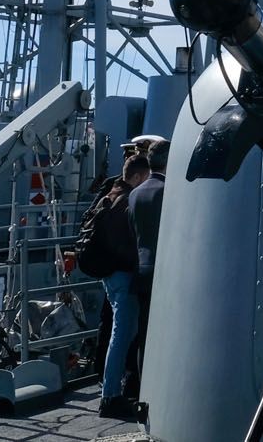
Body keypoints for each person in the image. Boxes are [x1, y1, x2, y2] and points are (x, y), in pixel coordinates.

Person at [96, 153, 150, 420]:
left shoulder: (111, 193)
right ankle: (110, 396)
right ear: (138, 176)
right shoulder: (127, 201)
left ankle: (112, 388)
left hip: (110, 275)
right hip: (122, 275)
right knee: (122, 334)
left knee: (122, 333)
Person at [123, 136, 168, 401]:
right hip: (165, 274)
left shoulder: (136, 194)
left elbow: (134, 233)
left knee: (144, 333)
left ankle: (142, 391)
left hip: (141, 272)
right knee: (164, 334)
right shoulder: (170, 191)